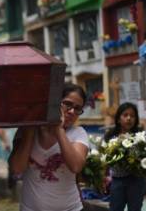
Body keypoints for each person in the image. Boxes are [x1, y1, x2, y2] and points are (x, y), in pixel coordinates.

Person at [9, 83, 89, 211]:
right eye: (67, 104)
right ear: (55, 102)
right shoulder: (27, 130)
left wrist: (59, 129)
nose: (72, 111)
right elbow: (17, 168)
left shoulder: (78, 133)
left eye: (77, 108)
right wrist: (29, 131)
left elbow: (76, 166)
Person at [104, 102, 146, 211]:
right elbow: (105, 159)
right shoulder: (110, 136)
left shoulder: (140, 136)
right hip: (117, 181)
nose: (129, 118)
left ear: (136, 119)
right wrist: (104, 177)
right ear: (118, 118)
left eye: (132, 116)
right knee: (115, 208)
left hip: (136, 181)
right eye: (125, 115)